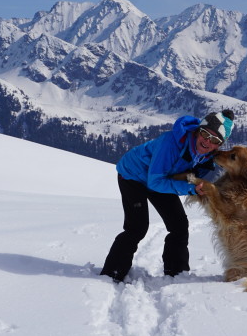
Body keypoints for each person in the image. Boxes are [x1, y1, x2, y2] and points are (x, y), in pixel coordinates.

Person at [100, 109, 235, 283]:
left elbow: (186, 175)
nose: (207, 141)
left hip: (161, 178)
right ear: (197, 130)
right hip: (132, 175)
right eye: (204, 134)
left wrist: (198, 185)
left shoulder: (207, 156)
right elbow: (155, 183)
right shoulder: (170, 143)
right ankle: (112, 273)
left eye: (215, 140)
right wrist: (192, 189)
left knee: (179, 225)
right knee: (137, 227)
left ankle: (177, 273)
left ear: (219, 144)